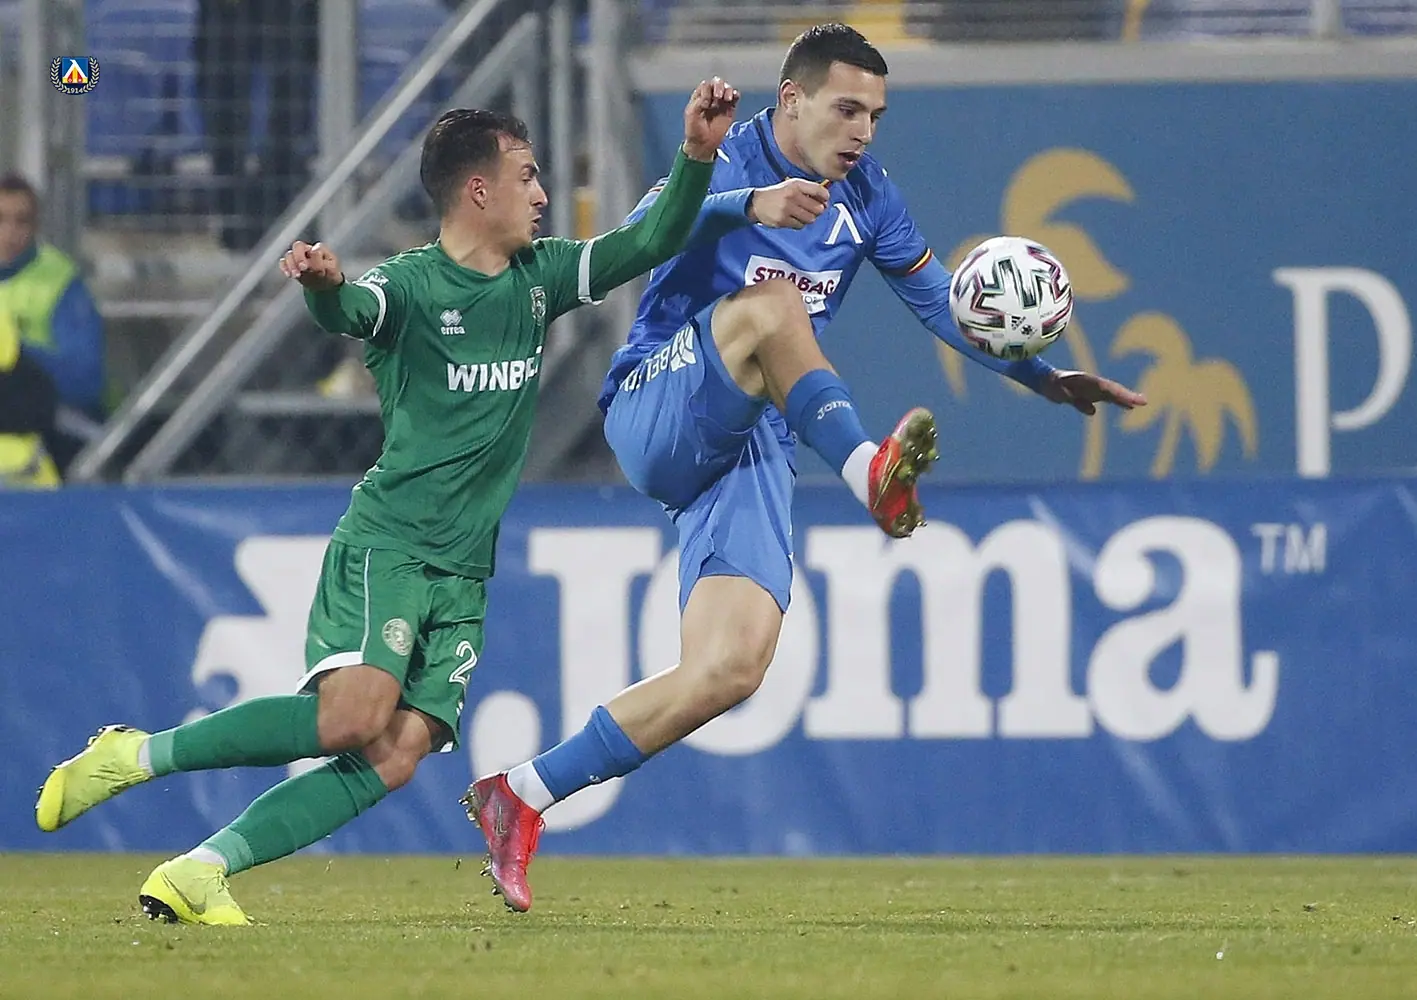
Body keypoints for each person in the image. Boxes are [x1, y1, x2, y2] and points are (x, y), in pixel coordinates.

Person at [464, 23, 1147, 912]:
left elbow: (939, 300)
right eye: (846, 109)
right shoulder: (728, 161)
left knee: (728, 668)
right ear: (791, 100)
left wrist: (1042, 377)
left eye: (875, 115)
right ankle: (867, 473)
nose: (862, 130)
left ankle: (521, 794)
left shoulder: (869, 196)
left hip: (749, 441)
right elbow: (640, 239)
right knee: (775, 304)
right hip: (656, 403)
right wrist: (740, 202)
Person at [33, 78, 742, 925]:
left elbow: (651, 238)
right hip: (393, 546)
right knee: (351, 716)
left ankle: (201, 870)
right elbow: (351, 312)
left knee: (401, 749)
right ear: (477, 190)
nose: (542, 195)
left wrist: (696, 153)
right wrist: (324, 286)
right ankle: (135, 754)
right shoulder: (409, 286)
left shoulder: (541, 278)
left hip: (463, 570)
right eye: (526, 176)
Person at [0, 173, 106, 479]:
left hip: (50, 426)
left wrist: (16, 354)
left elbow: (85, 380)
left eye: (22, 221)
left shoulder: (60, 282)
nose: (9, 233)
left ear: (36, 227)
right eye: (1, 220)